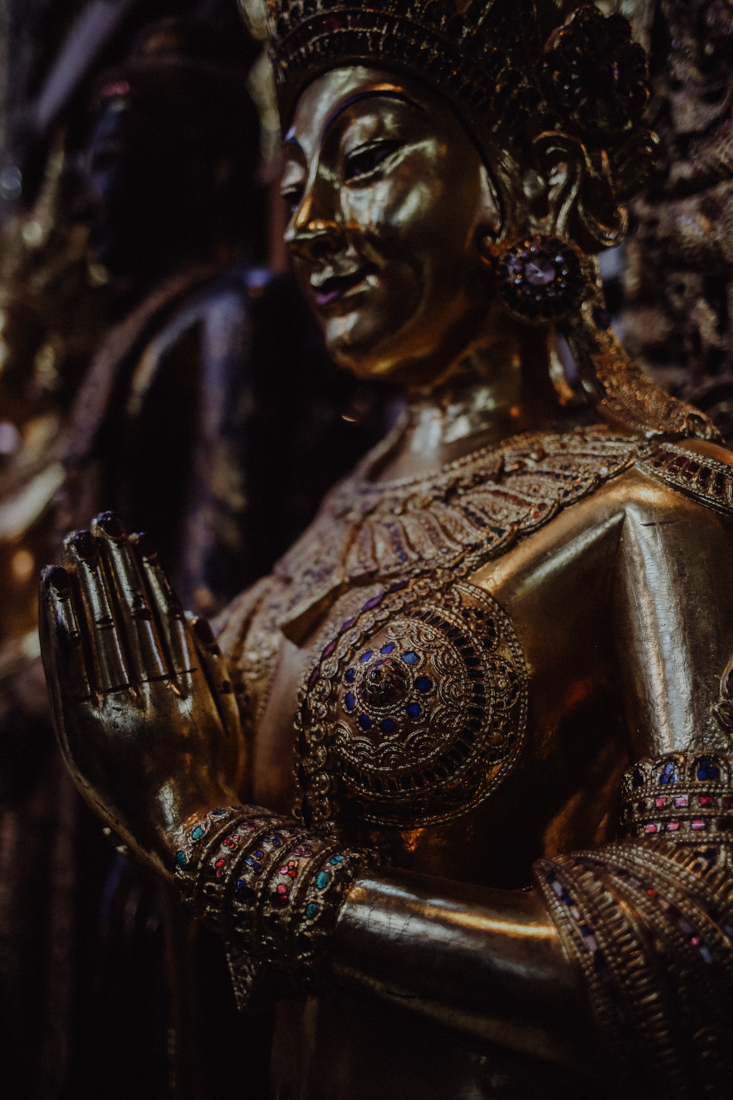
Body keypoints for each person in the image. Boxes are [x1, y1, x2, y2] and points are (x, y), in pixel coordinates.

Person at [38, 1, 733, 1097]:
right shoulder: (330, 520)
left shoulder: (644, 508)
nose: (310, 222)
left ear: (532, 180)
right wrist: (158, 823)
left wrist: (207, 838)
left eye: (363, 158)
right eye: (295, 182)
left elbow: (693, 956)